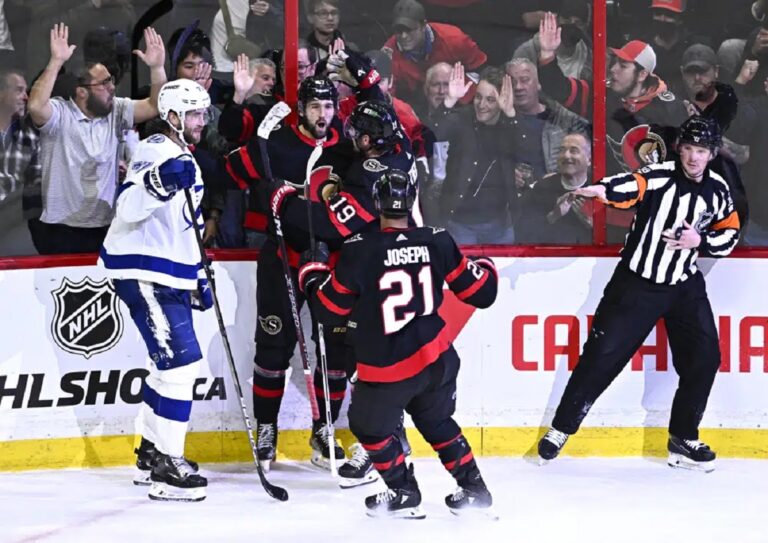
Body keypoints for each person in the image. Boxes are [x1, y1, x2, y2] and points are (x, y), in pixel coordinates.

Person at [537, 116, 741, 473]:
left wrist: (701, 241)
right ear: (680, 149)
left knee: (705, 359)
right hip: (637, 283)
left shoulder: (718, 189)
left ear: (711, 154)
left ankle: (683, 437)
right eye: (689, 149)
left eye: (702, 151)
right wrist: (599, 190)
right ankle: (561, 428)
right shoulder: (661, 176)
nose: (694, 158)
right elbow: (628, 185)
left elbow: (730, 232)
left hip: (683, 285)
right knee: (601, 357)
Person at [299, 169, 498, 518]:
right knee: (437, 423)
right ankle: (474, 490)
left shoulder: (360, 249)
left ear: (377, 203)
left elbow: (329, 311)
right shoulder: (436, 240)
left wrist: (312, 274)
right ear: (412, 199)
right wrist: (486, 266)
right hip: (437, 359)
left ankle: (404, 492)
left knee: (368, 427)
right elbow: (482, 293)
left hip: (388, 367)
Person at [98, 79, 212, 501]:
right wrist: (159, 182)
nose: (202, 121)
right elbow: (127, 207)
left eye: (203, 113)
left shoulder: (183, 156)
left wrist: (197, 274)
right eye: (196, 114)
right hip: (145, 273)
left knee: (167, 369)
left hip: (169, 273)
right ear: (175, 117)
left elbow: (187, 225)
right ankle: (168, 467)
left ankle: (150, 454)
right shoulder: (154, 151)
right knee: (181, 367)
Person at [27, 23, 167, 254]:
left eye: (111, 80)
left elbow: (155, 106)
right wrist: (56, 62)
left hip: (106, 227)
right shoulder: (60, 114)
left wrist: (157, 68)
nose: (112, 87)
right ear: (82, 91)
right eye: (104, 83)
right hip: (61, 230)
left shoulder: (116, 110)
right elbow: (34, 106)